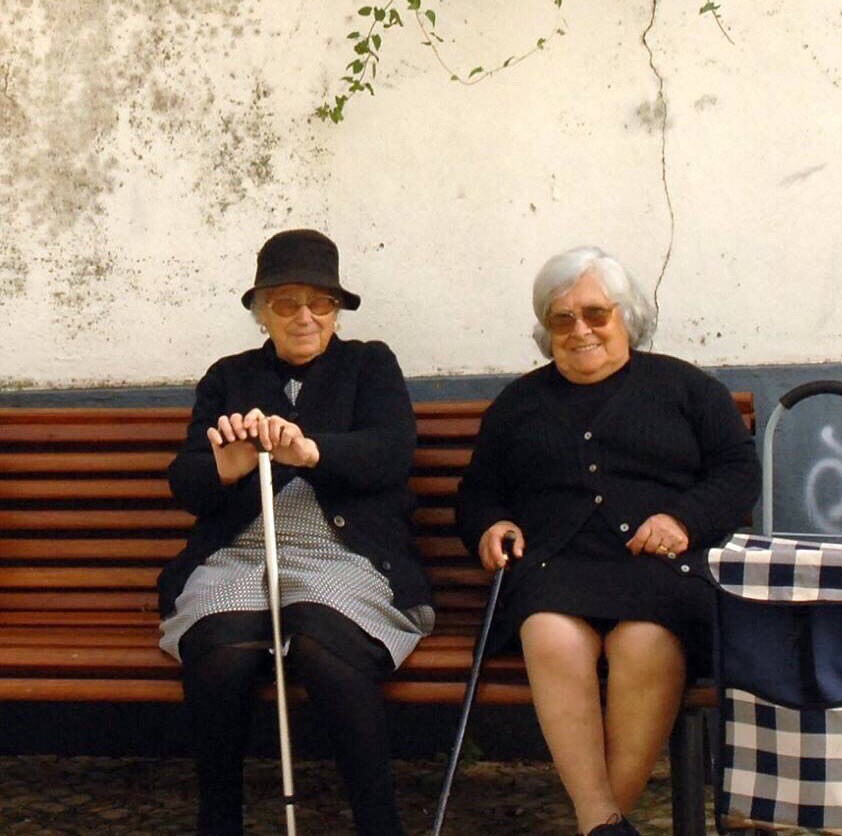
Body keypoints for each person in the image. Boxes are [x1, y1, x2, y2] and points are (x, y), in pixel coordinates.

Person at [456, 245, 761, 836]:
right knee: (548, 634)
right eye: (562, 318)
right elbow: (478, 492)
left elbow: (737, 472)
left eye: (597, 313)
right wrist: (492, 525)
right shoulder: (519, 403)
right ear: (546, 329)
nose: (581, 330)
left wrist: (682, 519)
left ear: (628, 317)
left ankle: (598, 822)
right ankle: (604, 822)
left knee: (646, 639)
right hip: (554, 568)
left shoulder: (684, 388)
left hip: (658, 571)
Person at [158, 228, 432, 836]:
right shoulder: (228, 376)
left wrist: (312, 451)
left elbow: (392, 453)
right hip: (240, 551)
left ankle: (378, 823)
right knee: (222, 644)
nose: (305, 317)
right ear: (262, 314)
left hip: (343, 551)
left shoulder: (371, 365)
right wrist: (225, 468)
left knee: (321, 640)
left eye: (321, 302)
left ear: (337, 310)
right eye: (286, 303)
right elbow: (187, 479)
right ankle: (219, 819)